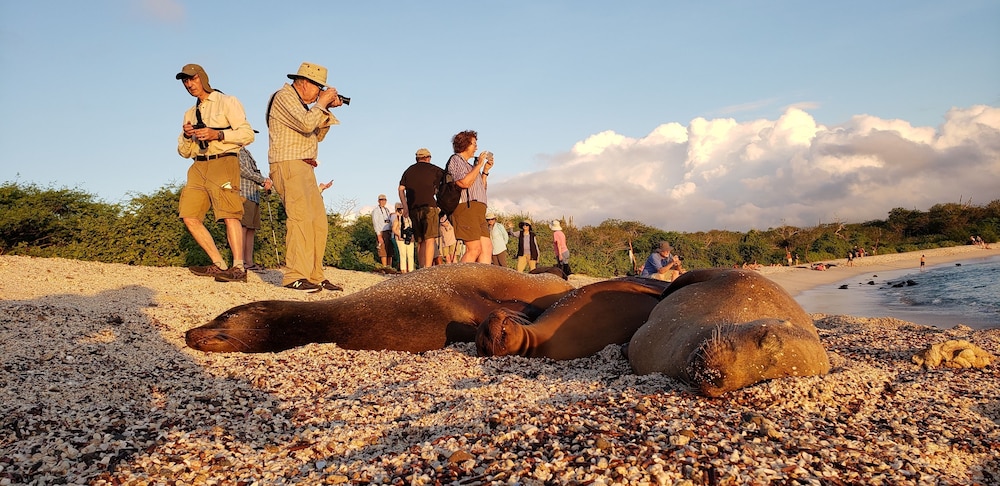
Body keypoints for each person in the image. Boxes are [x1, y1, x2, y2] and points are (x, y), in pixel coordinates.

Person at [267, 62, 344, 293]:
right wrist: (321, 103)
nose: (319, 93)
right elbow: (305, 122)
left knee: (318, 222)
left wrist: (327, 109)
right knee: (300, 219)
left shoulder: (305, 105)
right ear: (304, 82)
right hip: (288, 164)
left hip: (306, 167)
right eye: (318, 87)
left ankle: (315, 275)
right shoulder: (284, 96)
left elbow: (317, 134)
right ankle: (294, 276)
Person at [175, 63, 255, 283]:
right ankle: (218, 264)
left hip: (224, 161)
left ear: (203, 78)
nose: (189, 84)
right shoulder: (189, 113)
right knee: (189, 215)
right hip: (198, 165)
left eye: (192, 79)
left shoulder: (227, 101)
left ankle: (238, 267)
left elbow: (247, 134)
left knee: (230, 213)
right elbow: (184, 152)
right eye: (185, 81)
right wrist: (186, 135)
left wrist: (217, 134)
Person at [446, 130, 494, 263]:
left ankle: (482, 282)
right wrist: (478, 165)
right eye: (474, 144)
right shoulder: (456, 160)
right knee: (474, 248)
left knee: (487, 248)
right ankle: (460, 282)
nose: (476, 147)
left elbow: (481, 189)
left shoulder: (470, 166)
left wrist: (485, 171)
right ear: (465, 144)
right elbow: (464, 182)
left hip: (478, 208)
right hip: (466, 208)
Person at [399, 148, 445, 269]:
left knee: (420, 240)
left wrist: (405, 206)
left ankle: (421, 267)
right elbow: (448, 180)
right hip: (429, 206)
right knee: (430, 239)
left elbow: (400, 189)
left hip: (413, 208)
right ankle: (428, 268)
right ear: (428, 158)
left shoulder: (408, 171)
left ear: (417, 158)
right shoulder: (434, 169)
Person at [237, 147, 272, 273]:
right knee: (243, 227)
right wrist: (263, 180)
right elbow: (243, 170)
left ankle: (249, 261)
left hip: (253, 194)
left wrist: (264, 183)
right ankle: (240, 261)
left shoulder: (247, 152)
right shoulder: (236, 150)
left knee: (251, 228)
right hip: (243, 193)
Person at [371, 194, 393, 267]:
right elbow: (375, 223)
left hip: (389, 231)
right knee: (383, 250)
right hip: (381, 232)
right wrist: (378, 235)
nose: (383, 201)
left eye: (384, 200)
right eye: (381, 200)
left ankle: (389, 266)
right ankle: (384, 266)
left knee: (390, 250)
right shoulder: (376, 211)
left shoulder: (387, 210)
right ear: (378, 201)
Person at [391, 203, 415, 273]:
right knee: (403, 254)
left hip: (410, 238)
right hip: (400, 239)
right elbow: (394, 229)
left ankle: (411, 270)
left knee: (410, 254)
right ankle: (403, 270)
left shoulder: (410, 218)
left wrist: (413, 236)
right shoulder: (397, 218)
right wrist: (399, 235)